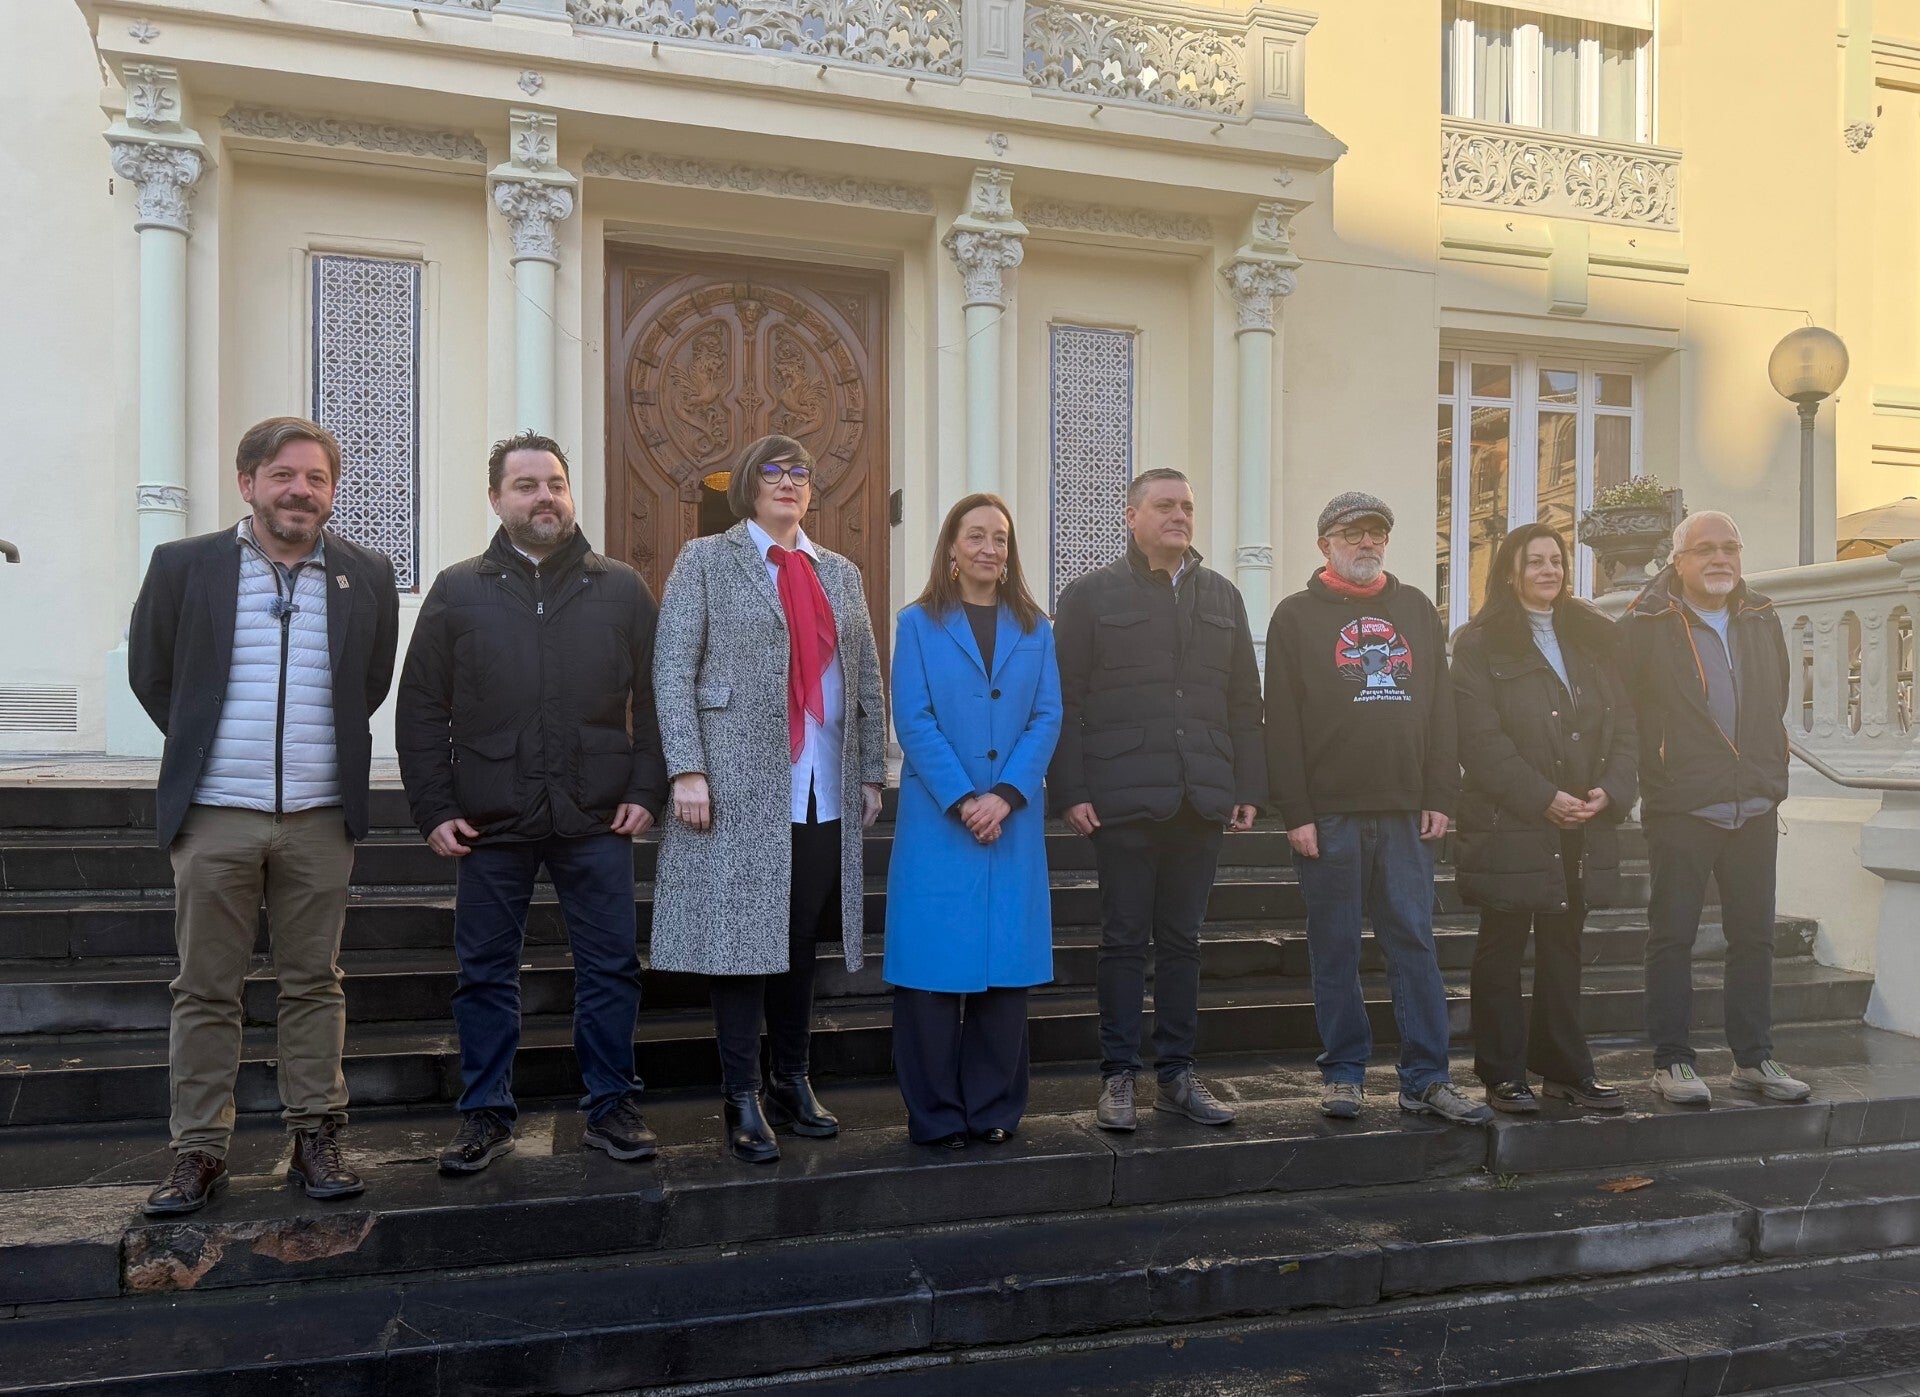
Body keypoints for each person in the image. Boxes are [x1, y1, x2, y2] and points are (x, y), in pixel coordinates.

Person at [129, 416, 400, 1216]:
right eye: (283, 475)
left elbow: (370, 682)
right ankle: (199, 1151)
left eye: (316, 478)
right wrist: (209, 752)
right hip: (215, 815)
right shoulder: (185, 565)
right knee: (205, 987)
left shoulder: (366, 573)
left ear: (331, 491)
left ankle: (315, 1134)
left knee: (315, 982)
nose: (300, 491)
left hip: (320, 818)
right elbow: (154, 675)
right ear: (248, 483)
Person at [397, 430, 668, 1174]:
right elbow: (421, 706)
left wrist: (648, 788)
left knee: (611, 964)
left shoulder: (621, 588)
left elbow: (654, 697)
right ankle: (485, 1112)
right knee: (484, 971)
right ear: (496, 498)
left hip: (597, 814)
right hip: (491, 818)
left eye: (554, 483)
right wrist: (432, 805)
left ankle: (611, 1104)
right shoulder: (457, 590)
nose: (543, 496)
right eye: (525, 485)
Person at [650, 434, 886, 1164]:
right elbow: (671, 666)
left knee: (796, 944)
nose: (788, 482)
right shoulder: (708, 559)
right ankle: (741, 1093)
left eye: (800, 472)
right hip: (736, 784)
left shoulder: (838, 571)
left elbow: (866, 676)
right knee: (739, 943)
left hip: (822, 782)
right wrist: (687, 767)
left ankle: (793, 1077)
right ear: (749, 486)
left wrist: (872, 770)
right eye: (774, 471)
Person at [1264, 491, 1491, 1126]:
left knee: (1415, 943)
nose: (1366, 543)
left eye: (1376, 534)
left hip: (1405, 813)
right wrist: (1297, 811)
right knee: (1333, 947)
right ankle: (1343, 1073)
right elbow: (1279, 720)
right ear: (1324, 544)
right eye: (1351, 533)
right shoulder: (1296, 616)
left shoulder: (1416, 608)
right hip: (1329, 814)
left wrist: (1441, 795)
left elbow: (1443, 709)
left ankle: (1426, 1078)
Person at [1049, 468, 1265, 1133]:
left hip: (1199, 798)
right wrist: (1072, 790)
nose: (1179, 515)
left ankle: (1177, 1074)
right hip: (1120, 800)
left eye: (1188, 507)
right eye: (1165, 505)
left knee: (1183, 942)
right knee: (1121, 940)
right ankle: (1118, 1076)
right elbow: (1066, 699)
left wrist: (1247, 785)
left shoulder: (1224, 597)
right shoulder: (1088, 597)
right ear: (1131, 515)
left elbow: (1243, 703)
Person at [885, 495, 1062, 1148]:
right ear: (952, 549)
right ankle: (934, 1114)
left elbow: (1047, 716)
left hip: (1010, 823)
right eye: (977, 536)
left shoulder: (1036, 628)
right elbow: (915, 719)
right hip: (941, 822)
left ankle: (992, 1106)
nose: (991, 548)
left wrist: (1007, 793)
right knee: (932, 972)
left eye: (1001, 538)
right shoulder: (917, 623)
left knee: (1004, 972)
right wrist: (964, 798)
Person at [1620, 509, 1809, 1105]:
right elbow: (1625, 712)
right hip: (1682, 804)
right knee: (1671, 936)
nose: (1720, 558)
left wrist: (1766, 771)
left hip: (1752, 801)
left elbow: (1774, 696)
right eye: (1706, 549)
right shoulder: (1646, 622)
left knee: (1753, 937)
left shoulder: (1760, 616)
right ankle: (1672, 1061)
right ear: (1678, 560)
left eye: (1730, 546)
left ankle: (1754, 1059)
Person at [1453, 523, 1637, 1114]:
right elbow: (1479, 742)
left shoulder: (1590, 639)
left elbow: (1625, 727)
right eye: (1534, 562)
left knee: (1564, 947)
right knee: (1502, 945)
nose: (1548, 571)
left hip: (1584, 821)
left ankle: (1564, 1069)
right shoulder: (1479, 644)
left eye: (1556, 561)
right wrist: (1543, 797)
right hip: (1514, 822)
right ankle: (1503, 1073)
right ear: (1510, 571)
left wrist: (1611, 789)